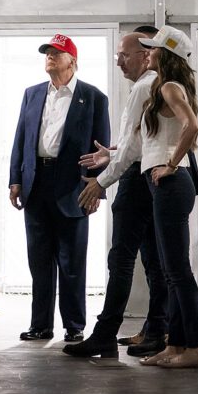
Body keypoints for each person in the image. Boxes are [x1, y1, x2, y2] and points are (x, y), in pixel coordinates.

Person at [63, 27, 168, 359]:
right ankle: (156, 330)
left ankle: (105, 335)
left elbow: (133, 152)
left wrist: (101, 181)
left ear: (145, 54)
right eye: (117, 55)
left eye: (124, 55)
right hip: (149, 177)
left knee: (121, 260)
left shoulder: (144, 87)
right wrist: (113, 153)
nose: (119, 61)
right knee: (154, 261)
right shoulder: (156, 83)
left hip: (137, 181)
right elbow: (142, 142)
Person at [9, 34, 110, 342]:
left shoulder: (93, 97)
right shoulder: (32, 93)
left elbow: (102, 147)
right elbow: (21, 138)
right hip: (36, 182)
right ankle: (40, 325)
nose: (50, 57)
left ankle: (74, 326)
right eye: (47, 53)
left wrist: (97, 187)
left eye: (57, 52)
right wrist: (15, 180)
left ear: (72, 61)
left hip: (74, 186)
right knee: (39, 260)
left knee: (72, 261)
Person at [136, 26, 198, 368]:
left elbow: (191, 125)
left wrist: (170, 164)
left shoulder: (168, 87)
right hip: (164, 184)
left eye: (152, 49)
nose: (148, 53)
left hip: (171, 183)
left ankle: (196, 349)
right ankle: (175, 345)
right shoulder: (167, 86)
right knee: (172, 271)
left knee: (177, 271)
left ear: (166, 54)